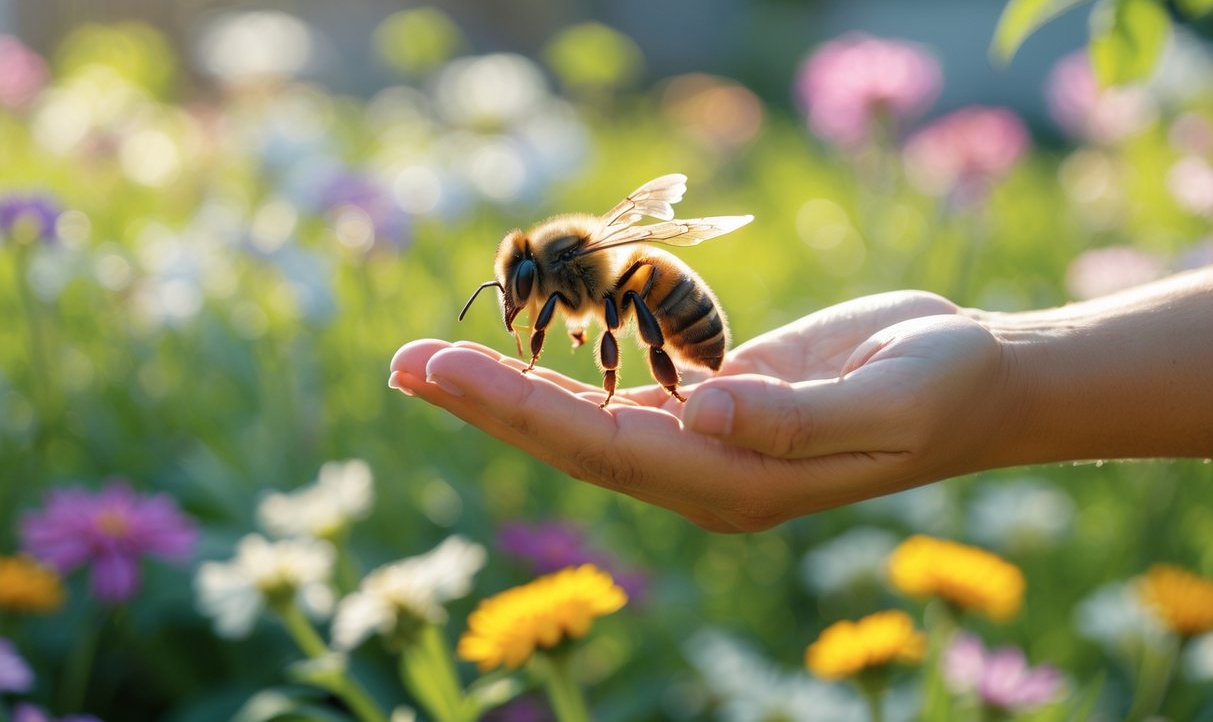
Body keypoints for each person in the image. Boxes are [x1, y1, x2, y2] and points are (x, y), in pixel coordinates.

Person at [388, 266, 1213, 533]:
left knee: (635, 315)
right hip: (663, 309)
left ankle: (660, 377)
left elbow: (618, 312)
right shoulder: (563, 273)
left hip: (674, 314)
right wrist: (1006, 363)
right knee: (628, 314)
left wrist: (1006, 378)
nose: (518, 308)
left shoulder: (585, 270)